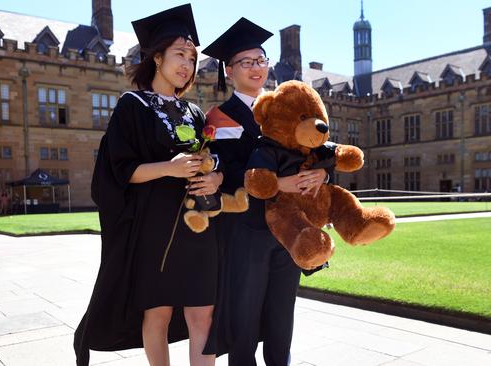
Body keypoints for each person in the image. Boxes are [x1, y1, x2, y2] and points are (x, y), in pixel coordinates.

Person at [73, 5, 223, 366]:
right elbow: (118, 171)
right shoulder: (133, 106)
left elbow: (210, 158)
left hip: (196, 227)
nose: (187, 64)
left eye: (191, 57)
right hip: (153, 229)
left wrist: (213, 172)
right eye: (179, 55)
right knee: (157, 314)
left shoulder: (194, 113)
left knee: (203, 313)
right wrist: (168, 169)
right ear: (157, 58)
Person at [202, 18, 330, 366]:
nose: (256, 68)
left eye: (261, 60)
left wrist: (321, 172)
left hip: (289, 230)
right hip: (246, 230)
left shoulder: (287, 110)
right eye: (247, 62)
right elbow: (222, 175)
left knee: (281, 316)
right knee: (244, 319)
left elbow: (316, 147)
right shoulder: (221, 118)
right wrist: (276, 183)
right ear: (229, 71)